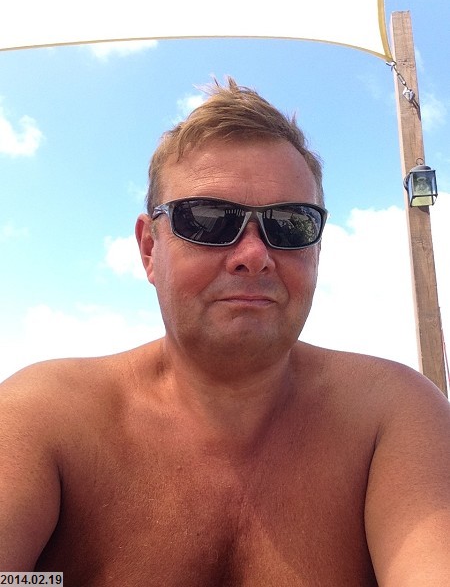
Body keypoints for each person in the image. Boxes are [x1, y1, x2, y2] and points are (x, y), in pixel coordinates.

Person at [1, 77, 449, 586]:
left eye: (291, 223)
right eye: (208, 220)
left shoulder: (391, 417)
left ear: (317, 248)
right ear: (149, 249)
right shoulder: (44, 420)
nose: (254, 255)